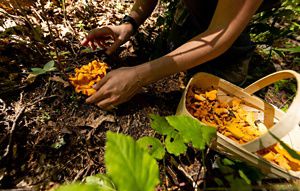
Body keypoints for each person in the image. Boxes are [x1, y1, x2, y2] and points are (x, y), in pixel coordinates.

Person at [82, 0, 278, 110]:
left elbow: (221, 34)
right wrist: (130, 23)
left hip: (232, 13)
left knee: (211, 100)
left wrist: (139, 75)